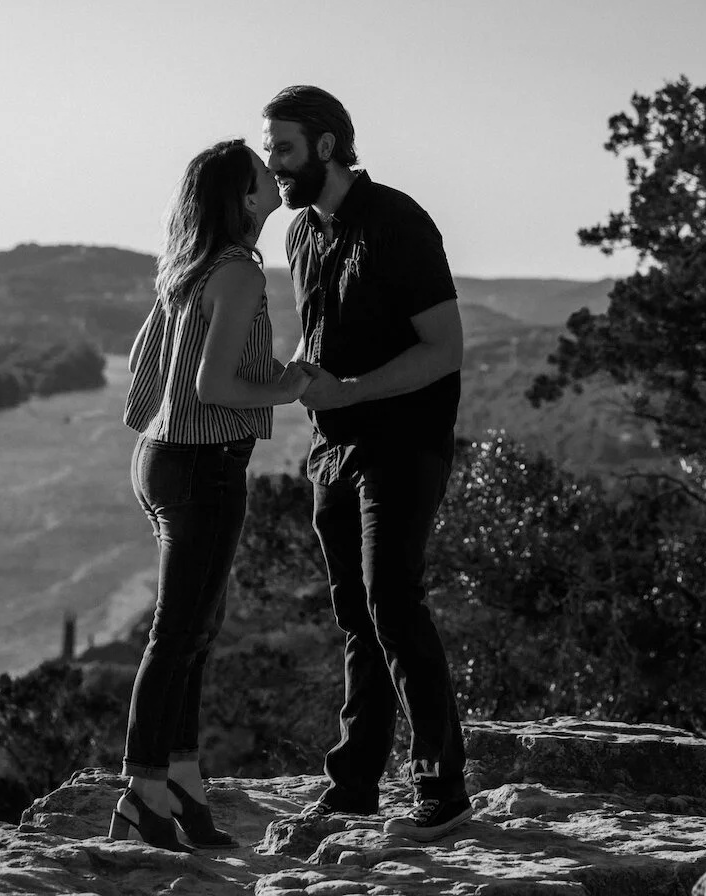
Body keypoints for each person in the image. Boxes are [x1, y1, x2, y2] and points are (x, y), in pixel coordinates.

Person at [261, 85, 473, 843]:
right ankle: (354, 786)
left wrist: (348, 390)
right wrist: (287, 381)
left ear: (325, 145)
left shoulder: (399, 222)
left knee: (392, 600)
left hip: (404, 441)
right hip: (333, 449)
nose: (273, 164)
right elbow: (321, 346)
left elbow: (443, 350)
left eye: (283, 148)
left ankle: (441, 788)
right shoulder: (299, 236)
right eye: (268, 150)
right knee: (358, 616)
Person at [111, 138, 312, 851]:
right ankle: (141, 790)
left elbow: (144, 365)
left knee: (195, 631)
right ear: (243, 198)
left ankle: (185, 782)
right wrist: (291, 383)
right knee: (176, 635)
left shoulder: (186, 268)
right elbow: (214, 387)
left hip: (163, 457)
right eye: (264, 175)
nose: (276, 178)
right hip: (204, 466)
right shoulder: (239, 275)